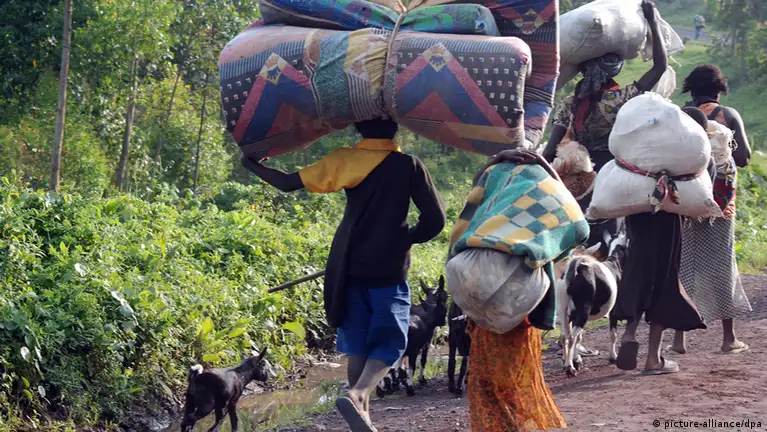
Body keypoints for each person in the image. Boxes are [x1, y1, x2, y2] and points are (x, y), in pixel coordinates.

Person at [241, 118, 446, 432]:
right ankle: (359, 393)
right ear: (396, 128)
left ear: (358, 129)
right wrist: (406, 237)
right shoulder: (409, 166)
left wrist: (251, 163)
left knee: (358, 343)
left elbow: (287, 183)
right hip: (388, 268)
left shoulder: (346, 159)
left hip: (348, 264)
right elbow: (435, 219)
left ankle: (362, 417)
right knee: (392, 340)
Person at [447, 149, 589, 431]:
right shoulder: (539, 205)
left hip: (480, 316)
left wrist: (494, 160)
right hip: (519, 313)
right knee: (516, 383)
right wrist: (548, 170)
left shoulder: (488, 206)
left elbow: (459, 234)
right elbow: (578, 226)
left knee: (488, 384)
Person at [542, 0, 668, 261]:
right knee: (609, 241)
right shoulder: (620, 98)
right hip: (611, 175)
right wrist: (652, 21)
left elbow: (550, 150)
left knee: (568, 240)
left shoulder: (568, 104)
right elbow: (659, 68)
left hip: (574, 179)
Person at [611, 106, 709, 375]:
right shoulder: (687, 156)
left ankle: (629, 334)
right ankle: (653, 358)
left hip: (639, 214)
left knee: (638, 272)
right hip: (668, 220)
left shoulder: (644, 153)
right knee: (664, 281)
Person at [669, 65, 753, 356]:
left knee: (684, 266)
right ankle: (729, 339)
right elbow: (743, 158)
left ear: (690, 89)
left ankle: (678, 338)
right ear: (720, 88)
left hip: (685, 202)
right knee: (722, 266)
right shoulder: (726, 115)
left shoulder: (680, 115)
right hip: (720, 204)